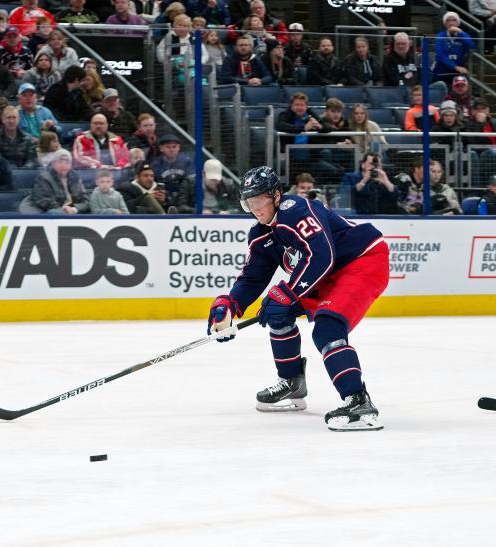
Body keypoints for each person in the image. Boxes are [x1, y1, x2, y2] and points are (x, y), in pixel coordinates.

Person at [206, 165, 388, 430]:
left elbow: (322, 255)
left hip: (360, 261)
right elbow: (252, 278)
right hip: (326, 274)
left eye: (259, 200)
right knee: (278, 313)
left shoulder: (296, 210)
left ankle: (358, 401)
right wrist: (229, 304)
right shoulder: (260, 234)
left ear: (276, 195)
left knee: (327, 328)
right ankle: (292, 383)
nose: (255, 209)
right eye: (249, 203)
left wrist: (288, 293)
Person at [18, 149, 88, 214]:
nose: (63, 165)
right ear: (53, 163)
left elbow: (86, 200)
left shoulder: (75, 177)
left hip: (68, 212)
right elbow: (44, 201)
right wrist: (63, 211)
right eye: (60, 162)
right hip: (42, 212)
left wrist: (75, 209)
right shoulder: (43, 178)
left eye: (67, 162)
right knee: (54, 212)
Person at [433, 11, 475, 87]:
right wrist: (455, 67)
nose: (451, 23)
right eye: (448, 20)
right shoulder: (440, 36)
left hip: (458, 72)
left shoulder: (463, 35)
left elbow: (471, 46)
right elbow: (440, 55)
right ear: (444, 24)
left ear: (458, 23)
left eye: (454, 20)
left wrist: (461, 33)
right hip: (442, 71)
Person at [151, 133, 194, 204]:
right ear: (161, 148)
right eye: (168, 147)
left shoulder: (187, 162)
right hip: (164, 200)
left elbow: (191, 183)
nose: (171, 150)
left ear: (179, 148)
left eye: (174, 147)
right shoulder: (155, 165)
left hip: (185, 199)